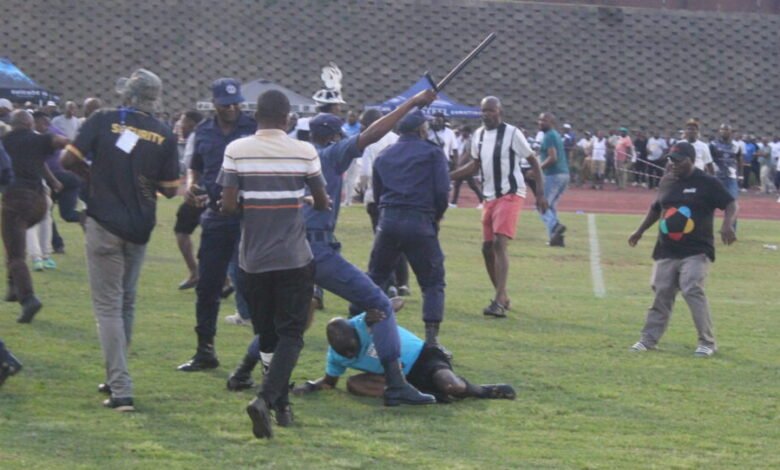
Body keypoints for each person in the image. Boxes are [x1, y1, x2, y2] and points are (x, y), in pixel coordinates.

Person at [302, 88, 439, 406]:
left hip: (290, 249)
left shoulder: (300, 155)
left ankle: (249, 373)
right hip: (318, 249)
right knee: (379, 303)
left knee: (290, 318)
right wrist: (411, 104)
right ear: (335, 137)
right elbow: (372, 134)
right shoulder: (331, 155)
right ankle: (395, 383)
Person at [62, 68, 180, 410]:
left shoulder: (102, 119)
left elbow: (68, 158)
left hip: (104, 222)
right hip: (139, 225)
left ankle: (121, 386)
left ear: (128, 94)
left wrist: (94, 174)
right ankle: (116, 374)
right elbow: (171, 190)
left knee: (108, 307)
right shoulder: (163, 132)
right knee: (126, 302)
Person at [218, 89, 329, 439]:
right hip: (294, 258)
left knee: (266, 336)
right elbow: (323, 202)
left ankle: (281, 406)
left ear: (256, 116)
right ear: (287, 119)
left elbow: (229, 207)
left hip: (252, 260)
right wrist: (304, 197)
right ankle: (266, 399)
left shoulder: (236, 150)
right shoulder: (304, 151)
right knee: (292, 334)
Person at [176, 78, 257, 372]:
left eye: (236, 103)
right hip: (216, 217)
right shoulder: (203, 131)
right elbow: (195, 167)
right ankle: (205, 351)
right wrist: (193, 186)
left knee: (257, 285)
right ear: (215, 104)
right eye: (226, 104)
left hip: (251, 218)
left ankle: (267, 355)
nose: (233, 108)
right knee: (208, 286)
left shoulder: (254, 128)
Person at [628, 142, 737, 357]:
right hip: (666, 249)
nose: (673, 164)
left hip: (696, 249)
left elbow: (731, 203)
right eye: (671, 159)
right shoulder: (667, 180)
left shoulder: (707, 182)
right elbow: (656, 208)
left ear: (691, 159)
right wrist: (639, 231)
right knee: (661, 293)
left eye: (678, 160)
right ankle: (648, 340)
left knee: (691, 288)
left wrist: (727, 225)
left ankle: (707, 342)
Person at [449, 97, 547, 318]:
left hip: (510, 194)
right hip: (489, 196)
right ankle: (502, 295)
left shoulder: (512, 133)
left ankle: (499, 300)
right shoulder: (479, 135)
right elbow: (474, 165)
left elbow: (533, 162)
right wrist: (447, 176)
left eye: (491, 111)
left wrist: (540, 194)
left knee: (499, 243)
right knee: (486, 249)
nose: (486, 114)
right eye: (483, 111)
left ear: (500, 111)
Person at [292, 308, 516, 403]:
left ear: (354, 331)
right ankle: (423, 396)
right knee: (353, 384)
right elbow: (330, 382)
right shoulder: (336, 355)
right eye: (346, 353)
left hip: (422, 358)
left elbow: (396, 303)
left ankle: (483, 390)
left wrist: (382, 308)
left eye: (354, 347)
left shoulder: (363, 321)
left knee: (452, 386)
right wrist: (310, 385)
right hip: (398, 378)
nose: (352, 354)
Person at [365, 109, 449, 347]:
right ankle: (432, 340)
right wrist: (436, 217)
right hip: (420, 221)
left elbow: (378, 193)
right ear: (422, 129)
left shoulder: (384, 154)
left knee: (375, 278)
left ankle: (362, 328)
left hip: (389, 220)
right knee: (432, 282)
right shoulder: (433, 153)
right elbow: (442, 192)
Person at [2, 110, 66, 322]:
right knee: (13, 243)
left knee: (16, 254)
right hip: (39, 203)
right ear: (30, 124)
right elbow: (57, 145)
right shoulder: (38, 140)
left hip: (16, 201)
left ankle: (28, 299)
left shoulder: (4, 142)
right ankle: (13, 286)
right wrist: (55, 180)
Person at [359, 108, 409, 295]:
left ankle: (390, 282)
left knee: (382, 242)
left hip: (376, 197)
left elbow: (365, 173)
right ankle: (403, 282)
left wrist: (361, 188)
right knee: (398, 240)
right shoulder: (397, 139)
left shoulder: (369, 141)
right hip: (397, 196)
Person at [172, 110, 204, 290]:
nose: (179, 126)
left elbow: (192, 165)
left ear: (192, 123)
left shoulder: (196, 136)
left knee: (181, 231)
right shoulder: (207, 134)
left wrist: (191, 186)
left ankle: (195, 272)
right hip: (214, 190)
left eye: (182, 122)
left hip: (199, 191)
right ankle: (223, 280)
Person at [536, 112, 569, 247]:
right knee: (551, 207)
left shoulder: (549, 135)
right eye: (540, 120)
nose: (541, 122)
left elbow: (552, 157)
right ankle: (556, 239)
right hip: (563, 174)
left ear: (552, 123)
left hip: (553, 174)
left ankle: (555, 226)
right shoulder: (554, 135)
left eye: (545, 120)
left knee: (541, 205)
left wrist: (537, 169)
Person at [709, 124, 742, 228]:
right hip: (716, 177)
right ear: (719, 131)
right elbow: (708, 161)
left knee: (732, 203)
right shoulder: (712, 144)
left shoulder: (736, 146)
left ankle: (731, 229)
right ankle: (706, 228)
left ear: (731, 132)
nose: (724, 131)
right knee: (710, 204)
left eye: (727, 129)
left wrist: (741, 175)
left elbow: (740, 161)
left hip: (731, 178)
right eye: (722, 129)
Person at [449, 125, 484, 208]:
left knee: (472, 185)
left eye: (464, 131)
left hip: (468, 166)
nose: (462, 133)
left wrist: (459, 164)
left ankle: (482, 201)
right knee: (458, 184)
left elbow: (467, 154)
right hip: (460, 165)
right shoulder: (458, 140)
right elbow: (457, 151)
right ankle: (453, 203)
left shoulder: (471, 141)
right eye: (461, 131)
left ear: (468, 132)